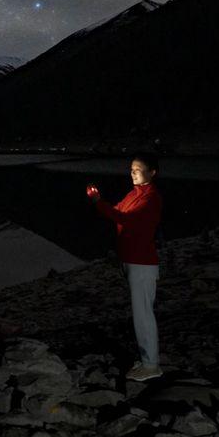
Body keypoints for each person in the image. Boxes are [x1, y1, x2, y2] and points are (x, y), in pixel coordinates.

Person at [86, 152, 163, 381]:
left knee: (143, 314)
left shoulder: (151, 198)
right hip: (130, 259)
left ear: (152, 172)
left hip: (142, 262)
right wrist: (99, 202)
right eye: (131, 169)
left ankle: (151, 365)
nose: (133, 173)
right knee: (139, 312)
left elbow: (125, 219)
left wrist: (99, 203)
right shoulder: (134, 194)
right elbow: (117, 213)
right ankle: (146, 359)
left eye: (138, 170)